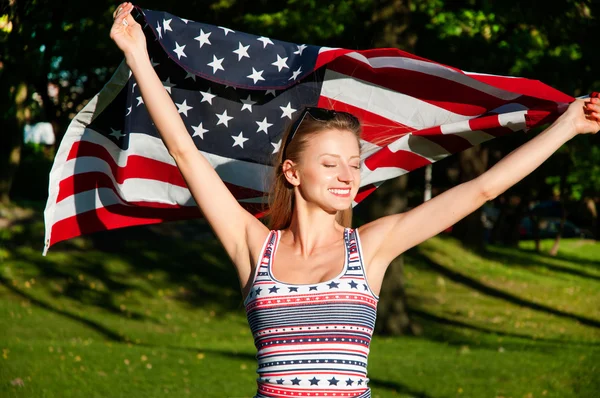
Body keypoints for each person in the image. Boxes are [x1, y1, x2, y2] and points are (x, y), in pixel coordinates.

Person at [110, 3, 600, 397]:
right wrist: (136, 54)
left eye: (353, 162)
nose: (348, 175)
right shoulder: (252, 246)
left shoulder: (372, 247)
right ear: (292, 172)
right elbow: (185, 154)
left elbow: (482, 189)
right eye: (330, 164)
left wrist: (568, 127)